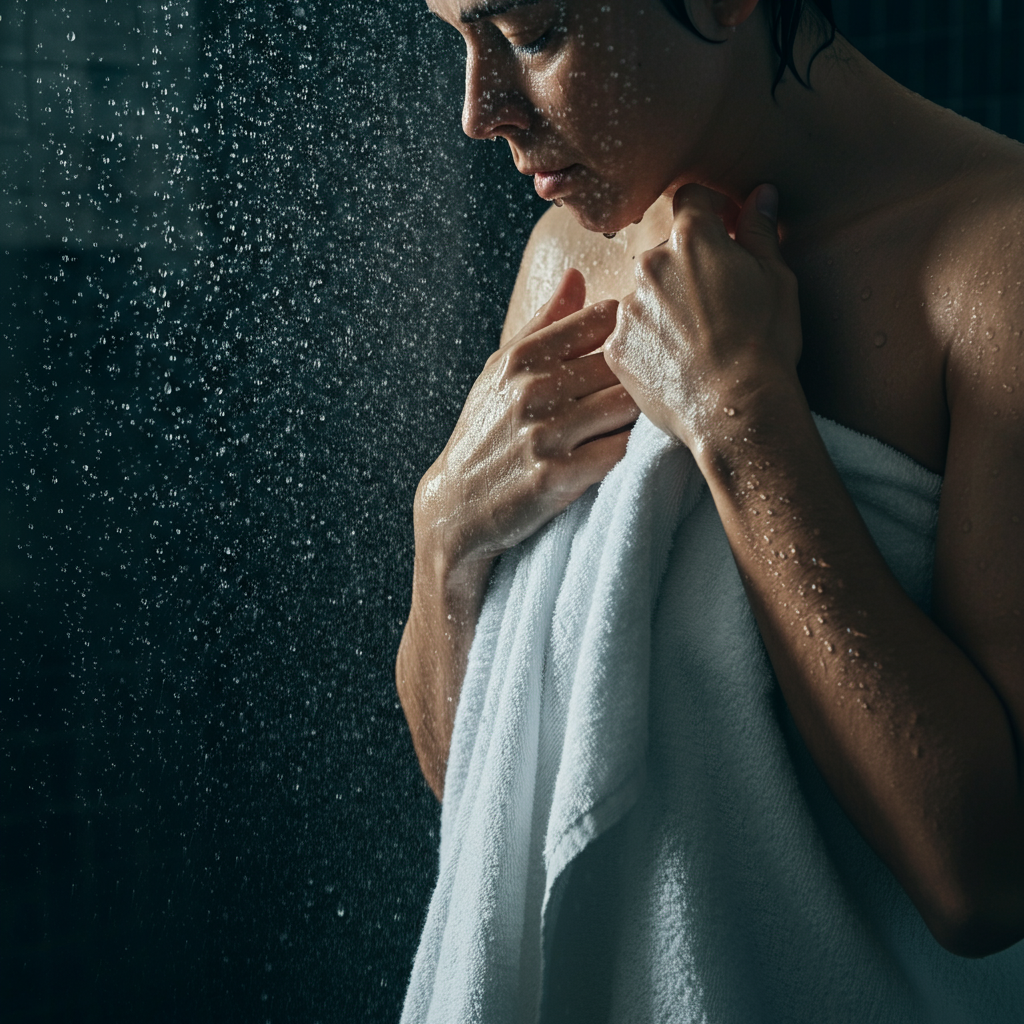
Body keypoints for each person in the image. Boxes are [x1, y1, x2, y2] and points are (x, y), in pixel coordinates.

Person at [396, 0, 1024, 1019]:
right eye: (455, 37)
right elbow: (489, 803)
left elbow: (987, 882)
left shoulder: (997, 263)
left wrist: (742, 424)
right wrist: (444, 537)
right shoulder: (564, 262)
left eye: (529, 34)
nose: (477, 111)